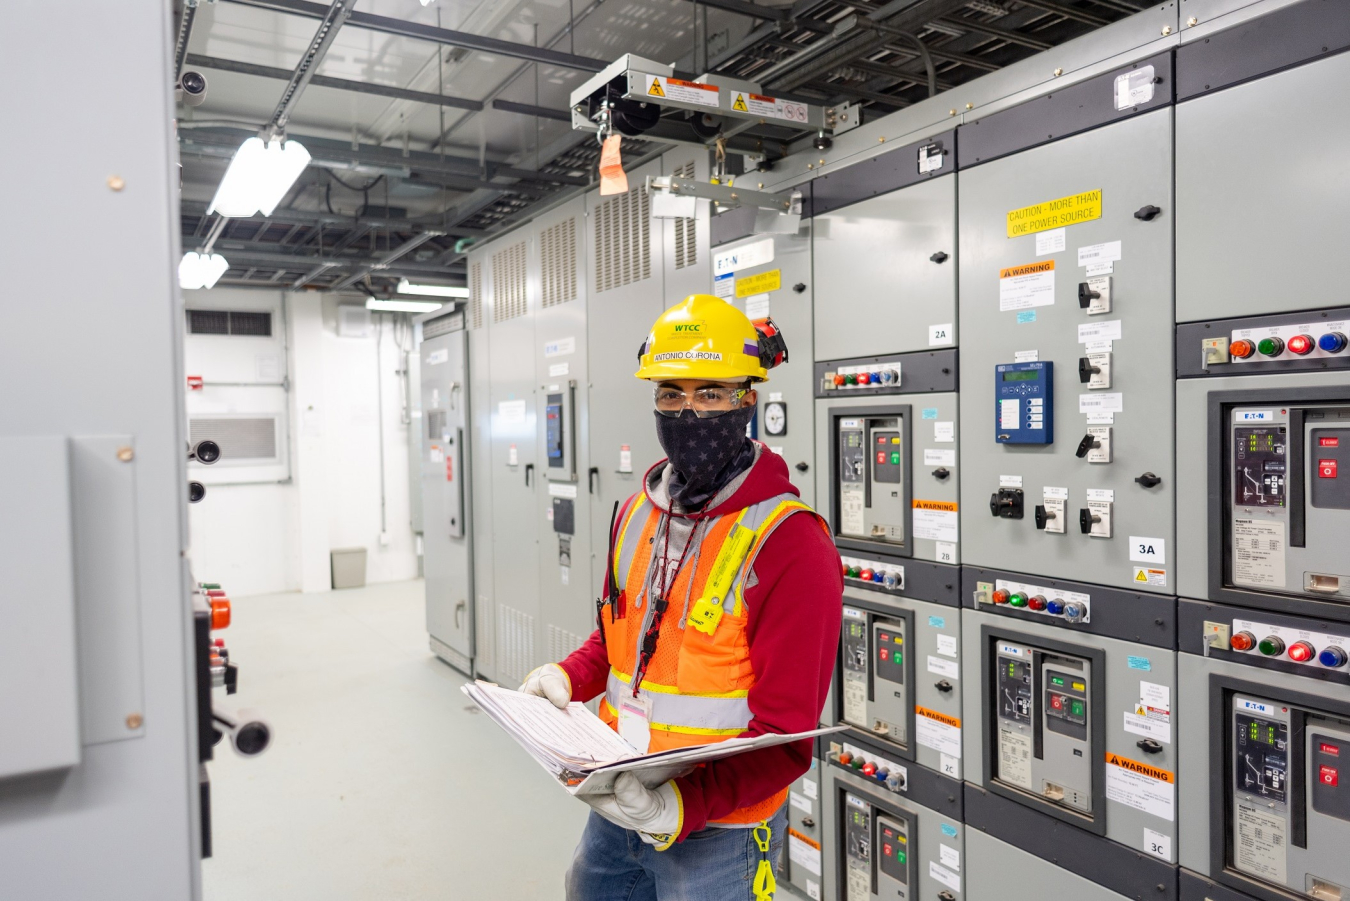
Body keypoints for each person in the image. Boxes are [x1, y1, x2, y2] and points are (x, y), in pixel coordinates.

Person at [520, 294, 844, 900]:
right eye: (671, 395)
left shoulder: (791, 543)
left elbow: (788, 734)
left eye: (710, 394)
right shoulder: (640, 511)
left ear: (747, 401)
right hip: (618, 794)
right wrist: (569, 676)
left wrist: (679, 805)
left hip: (720, 823)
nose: (687, 412)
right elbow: (622, 639)